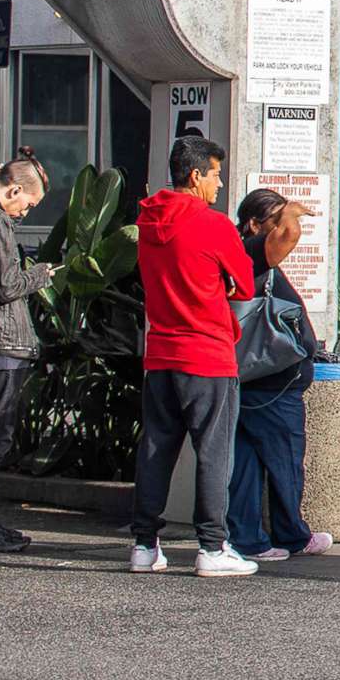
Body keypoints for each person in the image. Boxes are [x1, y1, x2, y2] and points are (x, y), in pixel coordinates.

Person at [130, 135, 259, 577]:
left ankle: (144, 545)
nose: (220, 184)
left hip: (161, 353)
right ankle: (211, 546)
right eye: (216, 174)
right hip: (207, 353)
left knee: (155, 448)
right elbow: (244, 282)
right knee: (214, 452)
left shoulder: (148, 221)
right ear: (195, 174)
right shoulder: (214, 224)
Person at [225, 189, 332, 563]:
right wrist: (291, 212)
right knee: (285, 460)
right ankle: (292, 535)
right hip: (273, 384)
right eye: (274, 221)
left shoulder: (236, 256)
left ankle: (248, 539)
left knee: (246, 464)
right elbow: (287, 236)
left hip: (247, 381)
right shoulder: (254, 254)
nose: (284, 229)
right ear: (255, 225)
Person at [0, 148, 55, 552]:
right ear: (13, 190)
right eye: (27, 204)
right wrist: (41, 274)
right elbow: (5, 286)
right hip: (1, 343)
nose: (24, 214)